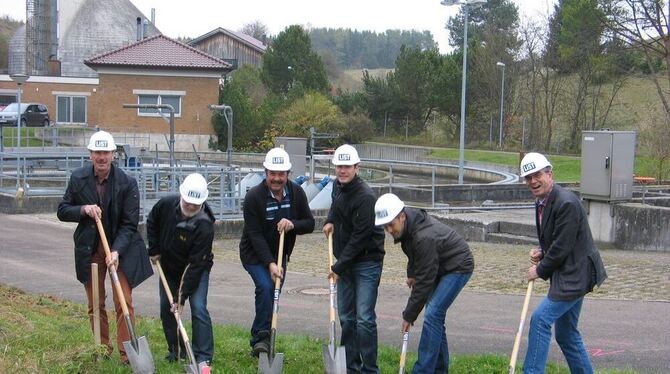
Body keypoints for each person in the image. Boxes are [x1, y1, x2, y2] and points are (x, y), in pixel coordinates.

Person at [57, 130, 153, 365]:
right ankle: (102, 349)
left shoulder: (127, 183)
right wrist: (83, 210)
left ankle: (126, 354)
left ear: (113, 155)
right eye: (97, 152)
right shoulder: (78, 178)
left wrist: (117, 251)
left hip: (120, 249)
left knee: (124, 302)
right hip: (90, 249)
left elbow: (130, 224)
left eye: (106, 152)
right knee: (95, 303)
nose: (102, 157)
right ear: (90, 155)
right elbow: (62, 210)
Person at [519, 152, 607, 374]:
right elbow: (558, 240)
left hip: (576, 275)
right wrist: (542, 251)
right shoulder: (543, 200)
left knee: (540, 321)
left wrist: (538, 270)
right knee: (566, 334)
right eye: (528, 177)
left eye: (537, 175)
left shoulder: (566, 202)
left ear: (549, 173)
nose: (533, 181)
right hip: (569, 272)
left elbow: (562, 248)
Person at [374, 193, 474, 373]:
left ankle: (423, 370)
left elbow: (424, 282)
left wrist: (409, 315)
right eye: (385, 226)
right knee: (435, 317)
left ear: (402, 216)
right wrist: (412, 273)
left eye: (391, 224)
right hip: (439, 265)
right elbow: (413, 250)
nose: (389, 230)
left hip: (458, 266)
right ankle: (440, 369)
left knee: (433, 314)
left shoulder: (423, 236)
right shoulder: (409, 225)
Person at [239, 147, 315, 357]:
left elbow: (309, 223)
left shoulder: (297, 193)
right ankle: (260, 339)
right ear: (266, 172)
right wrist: (270, 263)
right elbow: (254, 235)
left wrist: (293, 224)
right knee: (265, 286)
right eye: (273, 173)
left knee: (273, 294)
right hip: (254, 254)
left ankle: (262, 338)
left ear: (287, 174)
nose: (276, 178)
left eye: (281, 174)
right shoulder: (254, 197)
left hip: (282, 255)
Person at [323, 144, 385, 374]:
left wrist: (338, 266)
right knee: (347, 318)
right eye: (339, 166)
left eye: (347, 166)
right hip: (345, 262)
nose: (342, 170)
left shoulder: (366, 197)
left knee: (364, 319)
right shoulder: (337, 187)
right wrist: (330, 220)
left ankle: (370, 369)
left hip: (367, 262)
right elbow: (336, 207)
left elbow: (360, 238)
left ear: (357, 168)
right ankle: (351, 367)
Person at [147, 173, 215, 365]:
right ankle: (176, 351)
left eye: (195, 203)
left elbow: (194, 266)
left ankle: (203, 357)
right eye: (187, 201)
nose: (190, 206)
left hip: (196, 270)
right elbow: (152, 221)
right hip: (168, 266)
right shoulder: (166, 205)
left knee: (199, 307)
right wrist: (154, 249)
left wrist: (182, 297)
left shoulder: (205, 225)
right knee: (166, 308)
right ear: (181, 195)